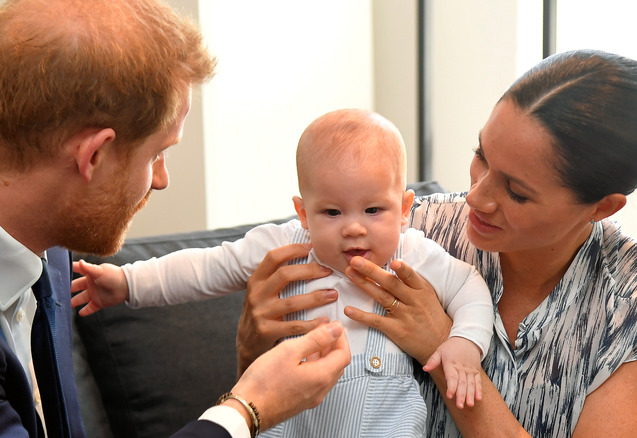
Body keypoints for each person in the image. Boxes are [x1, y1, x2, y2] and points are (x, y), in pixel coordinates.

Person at [235, 49, 637, 437]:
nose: (477, 198)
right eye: (481, 156)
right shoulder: (410, 228)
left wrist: (443, 348)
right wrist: (252, 343)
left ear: (602, 207)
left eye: (516, 192)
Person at [0, 0, 351, 437]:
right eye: (157, 153)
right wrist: (247, 410)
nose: (161, 179)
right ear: (93, 155)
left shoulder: (49, 235)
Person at [70, 108, 494, 437]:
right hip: (294, 420)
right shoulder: (285, 245)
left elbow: (470, 289)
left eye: (373, 209)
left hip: (388, 424)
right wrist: (127, 283)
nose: (353, 227)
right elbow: (206, 266)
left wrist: (463, 345)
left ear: (404, 210)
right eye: (331, 211)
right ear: (302, 212)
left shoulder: (413, 253)